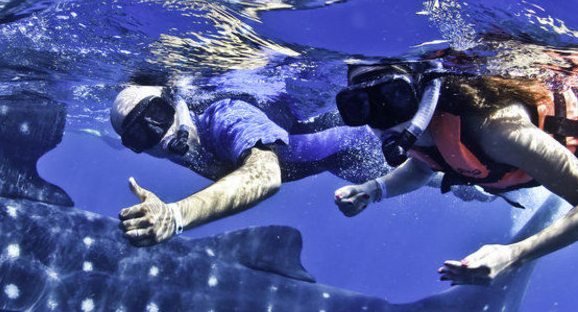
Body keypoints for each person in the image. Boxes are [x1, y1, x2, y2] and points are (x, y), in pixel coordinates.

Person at [333, 62, 578, 285]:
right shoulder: (417, 129)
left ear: (423, 89)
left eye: (394, 96)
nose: (381, 118)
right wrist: (374, 189)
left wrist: (514, 254)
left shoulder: (497, 129)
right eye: (358, 106)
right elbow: (425, 166)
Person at [109, 84, 389, 246]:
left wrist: (177, 216)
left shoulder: (224, 115)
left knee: (427, 171)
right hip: (337, 163)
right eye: (139, 136)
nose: (159, 136)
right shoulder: (180, 149)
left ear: (175, 103)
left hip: (372, 140)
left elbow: (266, 175)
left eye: (156, 115)